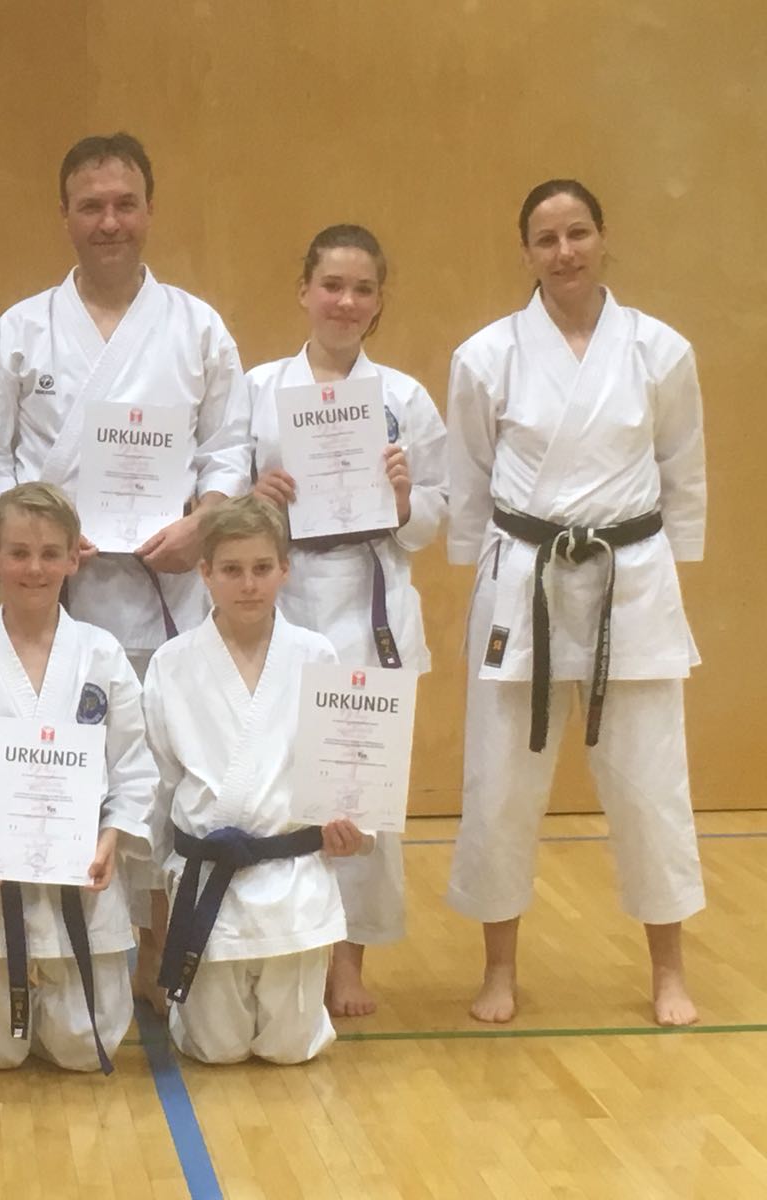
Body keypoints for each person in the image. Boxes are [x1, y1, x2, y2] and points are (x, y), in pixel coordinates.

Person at [0, 132, 252, 1011]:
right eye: (90, 206)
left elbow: (229, 448)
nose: (109, 222)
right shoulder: (21, 330)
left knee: (163, 772)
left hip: (166, 592)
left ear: (149, 211)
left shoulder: (197, 327)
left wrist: (203, 524)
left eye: (125, 204)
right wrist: (42, 536)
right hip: (51, 596)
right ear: (64, 215)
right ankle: (59, 947)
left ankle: (161, 946)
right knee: (60, 766)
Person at [444, 179, 707, 1027]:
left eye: (578, 233)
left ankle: (669, 971)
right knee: (500, 784)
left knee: (651, 783)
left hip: (630, 578)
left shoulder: (659, 350)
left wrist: (675, 565)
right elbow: (468, 480)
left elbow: (682, 468)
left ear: (602, 237)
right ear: (526, 252)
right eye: (547, 239)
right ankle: (499, 970)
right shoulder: (487, 355)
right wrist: (476, 570)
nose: (565, 252)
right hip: (523, 576)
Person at [247, 224, 447, 1016]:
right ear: (303, 291)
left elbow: (437, 514)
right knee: (278, 784)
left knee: (360, 792)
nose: (345, 301)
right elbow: (222, 498)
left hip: (372, 605)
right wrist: (257, 496)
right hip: (284, 597)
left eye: (363, 289)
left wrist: (402, 499)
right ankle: (281, 946)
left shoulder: (404, 398)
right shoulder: (259, 388)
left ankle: (348, 961)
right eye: (331, 285)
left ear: (379, 302)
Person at [0, 483, 157, 1073]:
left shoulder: (102, 656)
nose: (35, 568)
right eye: (20, 553)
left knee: (84, 1051)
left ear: (75, 558)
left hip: (82, 870)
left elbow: (133, 767)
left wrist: (111, 839)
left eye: (52, 553)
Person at [142, 495, 362, 1063]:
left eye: (262, 568)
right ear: (205, 573)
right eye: (232, 569)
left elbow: (343, 766)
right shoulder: (171, 662)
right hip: (207, 882)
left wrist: (352, 827)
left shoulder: (317, 654)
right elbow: (158, 787)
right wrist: (159, 902)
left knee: (291, 1048)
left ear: (285, 569)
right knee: (215, 1049)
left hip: (293, 877)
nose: (248, 584)